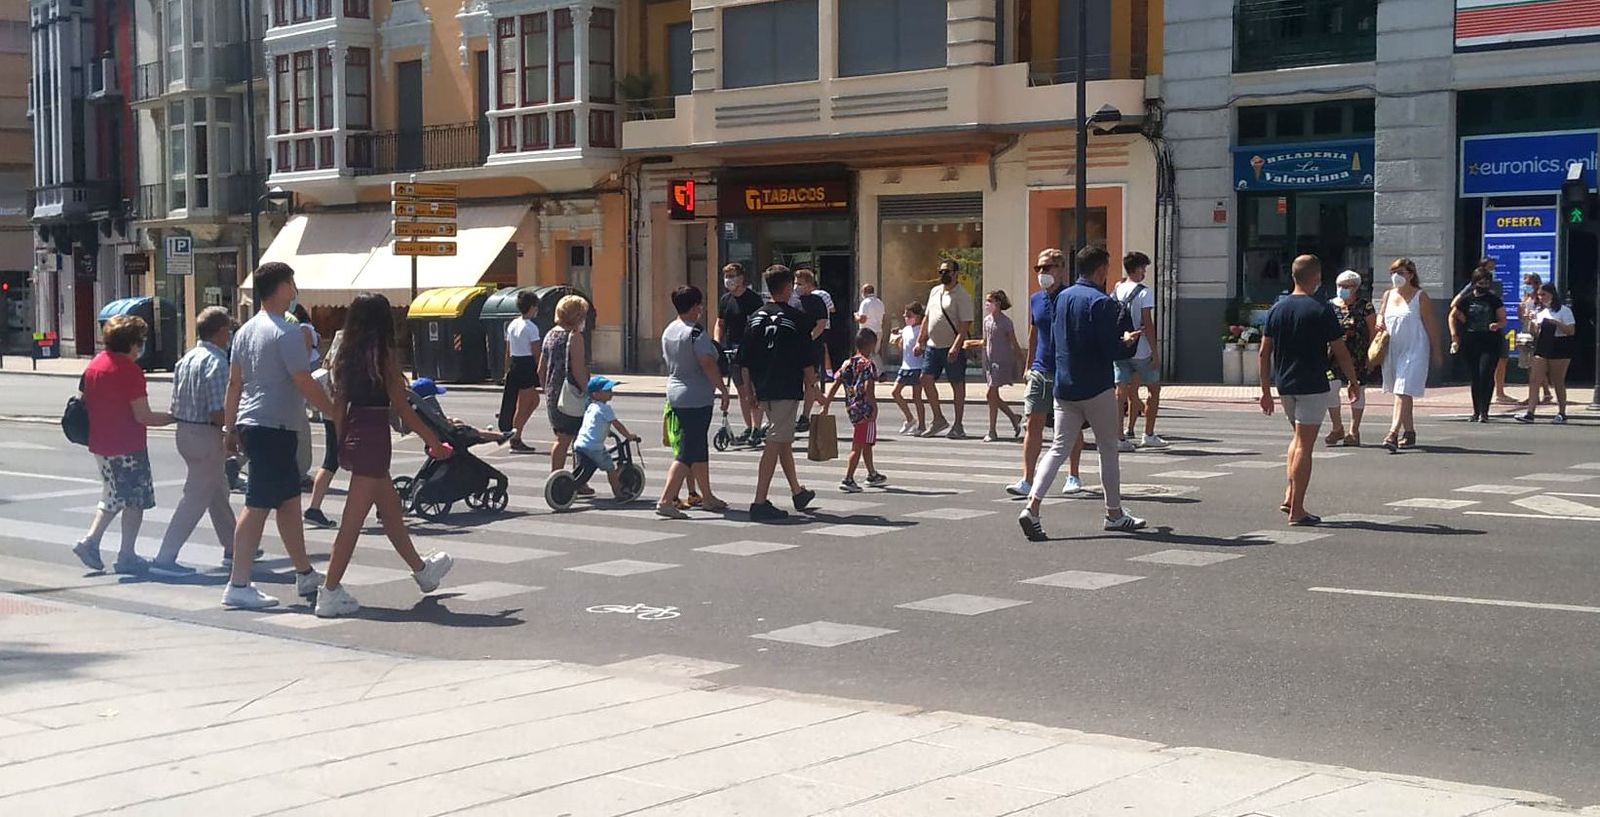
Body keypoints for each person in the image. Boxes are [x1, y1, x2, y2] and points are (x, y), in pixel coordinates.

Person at [314, 293, 456, 618]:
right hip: (374, 436)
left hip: (354, 431)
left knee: (391, 512)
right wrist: (433, 441)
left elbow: (338, 405)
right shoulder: (384, 355)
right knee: (352, 521)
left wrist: (340, 442)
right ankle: (329, 592)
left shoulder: (345, 353)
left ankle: (423, 571)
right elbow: (403, 406)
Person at [220, 261, 339, 610]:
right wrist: (334, 411)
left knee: (288, 502)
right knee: (257, 504)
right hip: (275, 425)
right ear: (283, 286)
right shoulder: (285, 332)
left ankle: (303, 573)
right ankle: (238, 583)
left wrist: (230, 428)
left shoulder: (244, 331)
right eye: (292, 284)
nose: (295, 291)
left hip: (257, 422)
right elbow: (302, 379)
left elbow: (234, 383)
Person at [1018, 246, 1147, 541]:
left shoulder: (1061, 298)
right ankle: (1114, 513)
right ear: (1101, 270)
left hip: (1064, 386)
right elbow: (1111, 349)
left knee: (1058, 447)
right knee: (1107, 448)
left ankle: (1032, 506)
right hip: (1096, 386)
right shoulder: (1100, 302)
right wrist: (1127, 341)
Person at [1257, 255, 1360, 527]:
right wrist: (1353, 381)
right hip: (1313, 383)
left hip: (1285, 384)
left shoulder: (1277, 308)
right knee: (1305, 444)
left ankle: (1290, 495)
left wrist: (1265, 390)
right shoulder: (1321, 308)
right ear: (1316, 278)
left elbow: (1264, 352)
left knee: (1297, 438)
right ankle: (1297, 510)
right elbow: (1341, 351)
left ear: (1293, 276)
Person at [70, 316, 175, 575]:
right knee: (135, 501)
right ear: (131, 344)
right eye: (139, 342)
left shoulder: (95, 365)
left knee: (113, 495)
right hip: (126, 444)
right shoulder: (129, 372)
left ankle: (91, 542)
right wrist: (176, 416)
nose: (140, 348)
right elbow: (144, 416)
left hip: (101, 443)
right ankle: (126, 554)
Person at [151, 307, 236, 576]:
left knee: (217, 490)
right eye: (229, 331)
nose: (231, 335)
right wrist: (234, 429)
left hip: (185, 431)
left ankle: (235, 547)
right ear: (221, 332)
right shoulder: (217, 362)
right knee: (197, 496)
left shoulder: (187, 358)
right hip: (205, 434)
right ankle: (165, 557)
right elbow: (217, 412)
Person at [736, 264, 822, 522]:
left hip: (763, 386)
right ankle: (759, 501)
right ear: (787, 288)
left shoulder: (755, 317)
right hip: (786, 386)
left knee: (783, 439)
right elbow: (806, 358)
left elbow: (745, 359)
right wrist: (814, 388)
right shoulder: (797, 319)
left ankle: (797, 492)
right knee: (775, 440)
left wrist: (749, 390)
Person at [1007, 249, 1086, 498]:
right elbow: (1034, 333)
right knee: (1033, 424)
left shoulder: (1071, 297)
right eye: (1038, 268)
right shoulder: (1035, 299)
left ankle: (1073, 474)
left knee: (1071, 427)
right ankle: (1027, 479)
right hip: (1041, 371)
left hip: (1067, 371)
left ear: (1061, 269)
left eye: (1048, 267)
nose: (1042, 273)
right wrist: (1029, 366)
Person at [657, 285, 732, 519]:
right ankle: (665, 500)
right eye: (699, 304)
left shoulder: (669, 330)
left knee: (698, 448)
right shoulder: (695, 333)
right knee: (688, 452)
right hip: (696, 394)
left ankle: (707, 496)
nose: (701, 309)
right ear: (693, 306)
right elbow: (707, 362)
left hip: (676, 390)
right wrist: (722, 389)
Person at [1376, 258, 1442, 452]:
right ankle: (1410, 432)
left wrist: (1437, 351)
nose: (1396, 277)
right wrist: (1379, 322)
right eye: (1393, 272)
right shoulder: (1388, 295)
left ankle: (1393, 433)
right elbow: (1381, 314)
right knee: (1401, 391)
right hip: (1393, 349)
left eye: (1401, 273)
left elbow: (1431, 326)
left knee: (1402, 390)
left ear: (1411, 275)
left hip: (1415, 348)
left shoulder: (1420, 297)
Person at [1113, 251, 1166, 450]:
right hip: (1141, 349)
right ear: (1137, 268)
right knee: (1153, 389)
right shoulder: (1144, 292)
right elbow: (1148, 323)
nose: (1144, 272)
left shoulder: (1116, 290)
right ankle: (1149, 433)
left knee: (1120, 392)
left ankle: (1119, 437)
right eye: (1143, 268)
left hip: (1121, 347)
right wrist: (1155, 351)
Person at [822, 330, 886, 492]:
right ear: (871, 345)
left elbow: (835, 384)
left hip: (852, 408)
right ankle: (848, 478)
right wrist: (874, 406)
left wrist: (826, 405)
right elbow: (868, 387)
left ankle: (872, 473)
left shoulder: (847, 363)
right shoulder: (868, 364)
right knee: (858, 444)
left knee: (866, 442)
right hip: (865, 409)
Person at [917, 260, 974, 438]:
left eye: (947, 271)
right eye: (940, 271)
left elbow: (965, 325)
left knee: (957, 384)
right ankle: (938, 419)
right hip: (933, 346)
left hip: (951, 347)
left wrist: (956, 346)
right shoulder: (935, 291)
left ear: (956, 273)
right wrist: (920, 340)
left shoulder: (962, 295)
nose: (943, 275)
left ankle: (958, 425)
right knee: (925, 379)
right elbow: (927, 318)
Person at [1449, 257, 1514, 404]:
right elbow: (1454, 307)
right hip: (1472, 337)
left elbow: (1502, 316)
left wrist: (1498, 324)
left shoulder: (1495, 292)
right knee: (1476, 375)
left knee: (1491, 368)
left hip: (1491, 338)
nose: (1492, 269)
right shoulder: (1469, 292)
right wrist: (1461, 322)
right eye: (1490, 266)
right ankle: (1478, 409)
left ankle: (1496, 396)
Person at [541, 294, 592, 479]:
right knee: (578, 439)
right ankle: (577, 480)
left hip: (555, 394)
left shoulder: (550, 334)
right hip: (573, 393)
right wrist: (589, 391)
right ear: (577, 316)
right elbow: (578, 369)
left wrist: (547, 390)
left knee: (561, 438)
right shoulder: (574, 336)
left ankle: (556, 479)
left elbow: (541, 368)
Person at [1324, 270, 1378, 445]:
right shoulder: (1330, 306)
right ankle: (1337, 427)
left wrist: (1371, 354)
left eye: (1346, 286)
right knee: (1330, 388)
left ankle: (1354, 431)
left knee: (1357, 391)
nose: (1342, 289)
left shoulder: (1365, 306)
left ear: (1356, 287)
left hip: (1358, 355)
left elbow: (1373, 331)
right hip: (1332, 356)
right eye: (1340, 286)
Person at [715, 263, 765, 444]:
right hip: (732, 349)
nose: (729, 280)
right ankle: (749, 427)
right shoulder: (725, 300)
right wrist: (718, 344)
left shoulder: (753, 300)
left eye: (733, 276)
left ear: (742, 278)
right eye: (727, 276)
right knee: (742, 392)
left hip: (750, 350)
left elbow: (758, 325)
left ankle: (757, 427)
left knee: (752, 391)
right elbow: (720, 323)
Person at [1517, 283, 1577, 425]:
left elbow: (1571, 331)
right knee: (1535, 379)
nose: (1541, 297)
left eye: (1544, 294)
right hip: (1543, 345)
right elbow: (1535, 331)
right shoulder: (1541, 311)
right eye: (1539, 295)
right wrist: (1530, 321)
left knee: (1557, 381)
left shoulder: (1564, 311)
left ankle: (1562, 412)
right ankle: (1530, 412)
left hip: (1559, 345)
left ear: (1552, 294)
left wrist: (1554, 323)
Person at [573, 376, 639, 499]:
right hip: (594, 447)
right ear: (596, 394)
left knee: (585, 468)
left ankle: (572, 484)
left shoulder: (591, 407)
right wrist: (629, 436)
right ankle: (619, 494)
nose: (611, 392)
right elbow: (618, 425)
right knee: (610, 468)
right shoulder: (605, 409)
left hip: (580, 443)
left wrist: (606, 431)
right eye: (607, 390)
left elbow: (593, 423)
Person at [303, 329, 343, 527]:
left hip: (330, 417)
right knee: (368, 462)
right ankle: (384, 506)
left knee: (331, 461)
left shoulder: (326, 369)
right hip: (345, 417)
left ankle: (314, 507)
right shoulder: (346, 369)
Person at [498, 289, 543, 453]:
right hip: (526, 365)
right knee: (525, 404)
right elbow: (537, 353)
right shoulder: (531, 327)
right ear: (532, 307)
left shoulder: (513, 324)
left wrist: (506, 369)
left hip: (516, 364)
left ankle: (516, 432)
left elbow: (508, 350)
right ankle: (515, 437)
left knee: (532, 401)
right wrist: (541, 373)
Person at [980, 289, 1023, 442]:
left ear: (998, 303)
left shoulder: (1006, 322)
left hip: (1002, 361)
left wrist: (1021, 361)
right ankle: (1013, 417)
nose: (987, 304)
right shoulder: (987, 320)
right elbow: (986, 341)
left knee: (991, 394)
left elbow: (1014, 343)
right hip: (990, 362)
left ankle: (992, 430)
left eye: (990, 301)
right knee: (992, 395)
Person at [794, 269, 832, 431]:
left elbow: (821, 323)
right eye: (795, 283)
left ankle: (805, 416)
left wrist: (809, 339)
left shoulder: (817, 301)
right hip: (794, 347)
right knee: (795, 381)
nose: (797, 286)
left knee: (809, 381)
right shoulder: (793, 301)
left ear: (809, 285)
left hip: (811, 348)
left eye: (800, 283)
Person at [1515, 272, 1556, 407]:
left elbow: (1546, 314)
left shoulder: (1540, 298)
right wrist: (1521, 310)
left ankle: (1539, 394)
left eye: (1529, 284)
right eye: (1525, 284)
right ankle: (1543, 392)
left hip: (1538, 332)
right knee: (1530, 364)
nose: (1526, 287)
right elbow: (1521, 317)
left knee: (1536, 363)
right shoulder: (1526, 299)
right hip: (1527, 331)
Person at [891, 303, 927, 435]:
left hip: (917, 367)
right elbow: (903, 347)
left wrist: (920, 348)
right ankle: (910, 419)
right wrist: (897, 342)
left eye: (909, 315)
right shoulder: (906, 329)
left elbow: (924, 347)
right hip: (905, 366)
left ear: (917, 316)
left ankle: (922, 425)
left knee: (917, 397)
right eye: (905, 315)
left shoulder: (921, 330)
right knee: (895, 392)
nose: (906, 318)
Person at [855, 283, 887, 372]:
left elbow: (862, 319)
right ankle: (877, 371)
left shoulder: (865, 303)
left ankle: (877, 371)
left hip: (867, 332)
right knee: (874, 352)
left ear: (864, 292)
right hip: (878, 330)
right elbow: (884, 318)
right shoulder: (879, 302)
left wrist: (856, 316)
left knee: (865, 352)